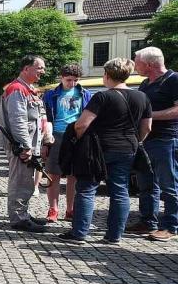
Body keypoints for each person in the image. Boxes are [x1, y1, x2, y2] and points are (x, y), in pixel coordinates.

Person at [60, 58, 151, 244]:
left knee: (86, 188)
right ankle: (114, 235)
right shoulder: (142, 97)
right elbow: (147, 127)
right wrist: (135, 141)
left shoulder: (102, 96)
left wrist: (76, 142)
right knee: (120, 191)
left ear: (107, 75)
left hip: (99, 149)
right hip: (127, 148)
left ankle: (79, 233)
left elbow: (82, 124)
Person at [129, 46, 178, 241]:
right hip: (146, 140)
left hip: (167, 139)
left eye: (137, 61)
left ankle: (171, 226)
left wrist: (149, 116)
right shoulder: (145, 84)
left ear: (149, 64)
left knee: (169, 184)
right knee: (147, 184)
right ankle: (148, 221)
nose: (134, 65)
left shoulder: (174, 80)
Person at [0, 55, 48, 231]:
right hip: (20, 145)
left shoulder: (27, 89)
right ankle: (19, 218)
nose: (43, 71)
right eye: (39, 68)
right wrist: (25, 146)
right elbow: (18, 120)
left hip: (26, 143)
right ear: (26, 69)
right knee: (20, 181)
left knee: (25, 181)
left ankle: (23, 213)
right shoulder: (17, 89)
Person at [42, 64, 91, 222]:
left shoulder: (85, 94)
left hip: (76, 135)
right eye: (69, 80)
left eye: (75, 80)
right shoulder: (51, 95)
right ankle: (53, 209)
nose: (72, 83)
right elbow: (46, 118)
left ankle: (70, 209)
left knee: (73, 176)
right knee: (53, 174)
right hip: (56, 135)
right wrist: (45, 140)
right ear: (61, 78)